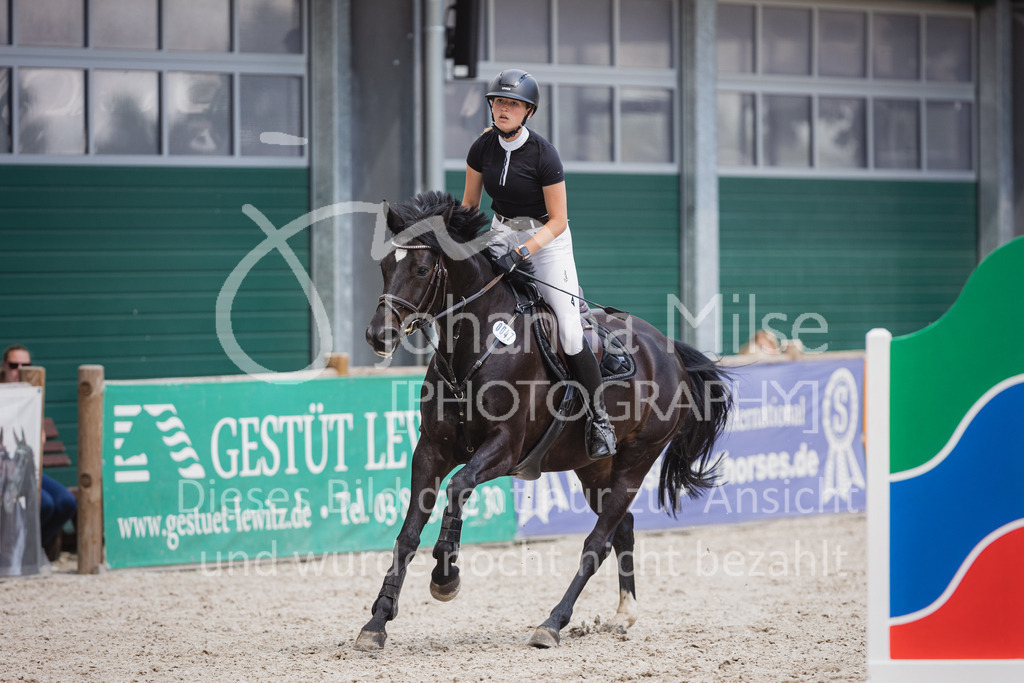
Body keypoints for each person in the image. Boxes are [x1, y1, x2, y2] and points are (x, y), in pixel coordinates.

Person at [461, 69, 616, 460]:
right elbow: (468, 207)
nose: (502, 109)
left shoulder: (545, 155)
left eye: (512, 104)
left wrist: (523, 251)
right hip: (499, 233)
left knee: (568, 330)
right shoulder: (482, 148)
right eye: (498, 102)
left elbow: (559, 220)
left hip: (547, 243)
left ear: (528, 111)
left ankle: (599, 420)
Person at [2, 344, 77, 561]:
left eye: (26, 365)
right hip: (5, 470)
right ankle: (22, 551)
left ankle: (29, 550)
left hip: (26, 469)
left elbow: (37, 439)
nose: (20, 370)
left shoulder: (31, 396)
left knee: (65, 502)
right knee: (43, 503)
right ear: (4, 366)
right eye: (14, 365)